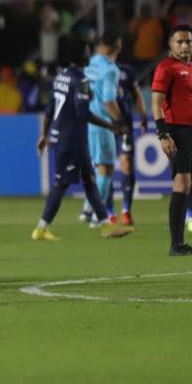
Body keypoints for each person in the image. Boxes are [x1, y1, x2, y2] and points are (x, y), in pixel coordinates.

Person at [32, 35, 131, 244]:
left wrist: (44, 134)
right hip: (72, 139)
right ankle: (41, 228)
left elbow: (49, 109)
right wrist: (110, 125)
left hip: (67, 137)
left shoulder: (61, 77)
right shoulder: (81, 80)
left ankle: (105, 224)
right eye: (87, 50)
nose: (89, 53)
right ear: (81, 54)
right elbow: (83, 114)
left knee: (89, 179)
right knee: (61, 184)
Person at [152, 26, 192, 256]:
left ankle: (180, 242)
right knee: (181, 183)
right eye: (179, 42)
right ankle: (176, 244)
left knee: (189, 184)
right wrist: (163, 134)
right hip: (175, 131)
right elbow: (157, 101)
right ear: (170, 45)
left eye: (188, 42)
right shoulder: (166, 68)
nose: (185, 45)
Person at [77, 35, 125, 227]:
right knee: (106, 168)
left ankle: (88, 208)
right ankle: (98, 214)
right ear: (117, 47)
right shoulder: (111, 70)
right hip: (103, 122)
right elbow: (109, 100)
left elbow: (85, 87)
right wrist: (120, 122)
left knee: (98, 168)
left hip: (89, 120)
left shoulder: (93, 63)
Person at [113, 50, 148, 225]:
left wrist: (143, 115)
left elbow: (136, 94)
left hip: (124, 125)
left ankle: (126, 210)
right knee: (102, 167)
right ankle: (106, 211)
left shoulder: (127, 71)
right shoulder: (94, 72)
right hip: (102, 126)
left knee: (126, 163)